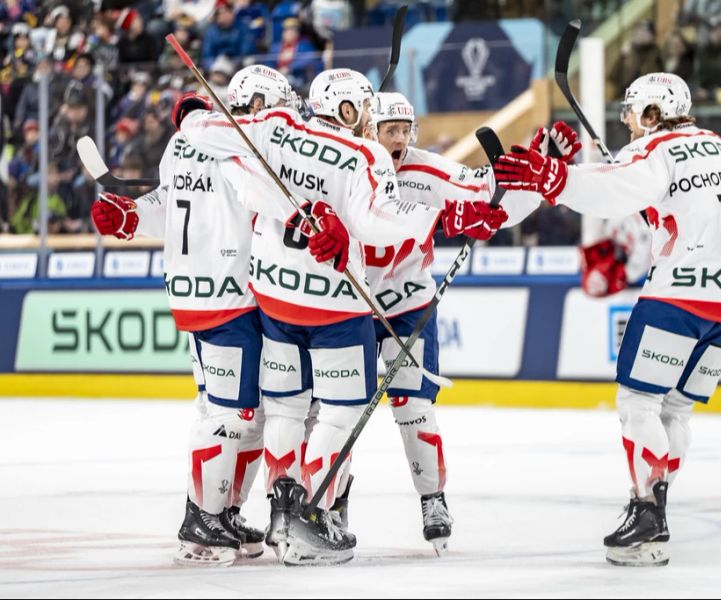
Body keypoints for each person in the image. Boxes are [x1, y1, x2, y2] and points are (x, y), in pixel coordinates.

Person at [177, 68, 508, 565]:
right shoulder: (362, 154)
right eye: (368, 112)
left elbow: (218, 149)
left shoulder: (275, 126)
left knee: (286, 412)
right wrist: (444, 217)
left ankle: (282, 514)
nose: (375, 123)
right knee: (338, 413)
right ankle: (310, 521)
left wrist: (193, 113)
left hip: (274, 306)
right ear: (349, 111)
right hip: (337, 308)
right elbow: (378, 224)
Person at [492, 72, 721, 566]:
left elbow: (613, 191)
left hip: (679, 294)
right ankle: (655, 504)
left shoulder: (654, 150)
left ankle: (646, 509)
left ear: (654, 113)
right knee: (677, 409)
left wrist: (555, 177)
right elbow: (672, 204)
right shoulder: (716, 146)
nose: (630, 127)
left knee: (639, 401)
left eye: (634, 115)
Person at [88, 67, 301, 566]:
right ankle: (200, 519)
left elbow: (174, 200)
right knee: (230, 415)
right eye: (275, 108)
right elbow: (268, 206)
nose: (284, 119)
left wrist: (133, 215)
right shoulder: (242, 150)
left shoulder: (185, 142)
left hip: (203, 294)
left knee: (241, 413)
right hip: (229, 296)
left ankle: (221, 511)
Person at [364, 92, 521, 554]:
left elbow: (483, 190)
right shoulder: (348, 164)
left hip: (408, 302)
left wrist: (506, 180)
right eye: (388, 130)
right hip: (349, 304)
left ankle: (433, 499)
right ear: (370, 130)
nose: (397, 139)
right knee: (337, 409)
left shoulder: (427, 168)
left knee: (413, 406)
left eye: (403, 130)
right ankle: (334, 505)